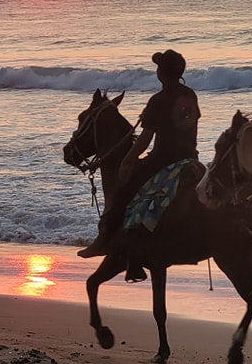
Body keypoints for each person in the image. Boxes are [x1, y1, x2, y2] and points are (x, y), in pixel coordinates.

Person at [78, 49, 201, 258]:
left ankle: (106, 241)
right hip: (190, 157)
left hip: (164, 160)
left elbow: (145, 138)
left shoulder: (159, 99)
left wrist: (128, 159)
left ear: (161, 73)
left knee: (123, 192)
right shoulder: (189, 95)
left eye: (159, 68)